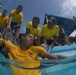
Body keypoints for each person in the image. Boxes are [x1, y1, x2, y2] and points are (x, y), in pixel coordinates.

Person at [0, 33, 67, 75]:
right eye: (30, 37)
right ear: (23, 37)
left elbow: (56, 57)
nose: (32, 39)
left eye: (33, 39)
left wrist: (70, 58)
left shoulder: (36, 49)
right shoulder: (12, 47)